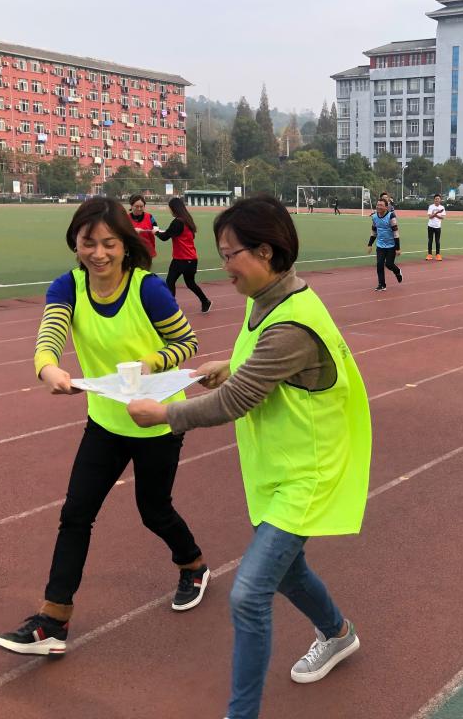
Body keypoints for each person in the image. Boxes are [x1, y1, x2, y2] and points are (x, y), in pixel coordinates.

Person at [127, 195, 371, 719]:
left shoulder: (291, 324)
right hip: (278, 467)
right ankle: (337, 633)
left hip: (308, 471)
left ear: (265, 251)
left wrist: (165, 413)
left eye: (230, 254)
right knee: (287, 571)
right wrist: (226, 365)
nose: (224, 265)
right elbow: (257, 364)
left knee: (249, 593)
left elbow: (238, 400)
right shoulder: (267, 297)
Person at [0, 197, 208, 657]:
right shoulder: (67, 287)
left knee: (154, 511)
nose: (99, 253)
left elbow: (186, 342)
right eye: (88, 242)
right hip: (105, 421)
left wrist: (152, 361)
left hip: (157, 421)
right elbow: (51, 334)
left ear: (125, 244)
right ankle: (53, 621)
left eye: (109, 243)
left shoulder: (148, 289)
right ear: (75, 243)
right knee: (75, 514)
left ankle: (193, 565)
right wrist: (47, 368)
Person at [156, 197, 212, 313]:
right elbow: (172, 233)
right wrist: (161, 231)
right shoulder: (187, 220)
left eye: (170, 209)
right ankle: (205, 301)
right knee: (190, 283)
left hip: (181, 259)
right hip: (192, 259)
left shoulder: (177, 222)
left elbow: (165, 237)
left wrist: (155, 232)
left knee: (170, 281)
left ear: (174, 209)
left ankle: (171, 307)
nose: (170, 211)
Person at [366, 197, 402, 290]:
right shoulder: (374, 217)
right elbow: (374, 231)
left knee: (389, 264)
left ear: (386, 207)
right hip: (380, 245)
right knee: (379, 264)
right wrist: (370, 244)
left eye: (381, 205)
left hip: (391, 245)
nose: (379, 207)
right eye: (378, 205)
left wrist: (398, 248)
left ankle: (397, 271)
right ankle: (381, 284)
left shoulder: (391, 216)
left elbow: (395, 233)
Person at [128, 194, 157, 258]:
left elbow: (156, 229)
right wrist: (132, 231)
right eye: (136, 206)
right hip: (132, 252)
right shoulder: (126, 218)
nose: (139, 209)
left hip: (147, 252)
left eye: (141, 206)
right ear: (131, 206)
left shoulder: (150, 217)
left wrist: (156, 231)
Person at [426, 193, 446, 261]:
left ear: (440, 200)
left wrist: (435, 214)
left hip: (438, 227)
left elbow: (442, 218)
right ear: (434, 200)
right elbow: (430, 217)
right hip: (430, 226)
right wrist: (437, 213)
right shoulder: (431, 207)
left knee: (437, 241)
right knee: (430, 240)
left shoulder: (442, 207)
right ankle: (429, 254)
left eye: (438, 199)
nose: (437, 200)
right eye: (436, 199)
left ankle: (438, 254)